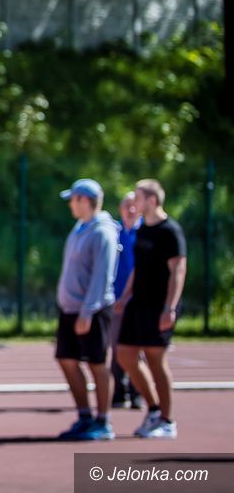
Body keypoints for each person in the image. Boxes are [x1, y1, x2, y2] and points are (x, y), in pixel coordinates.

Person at [115, 178, 187, 439]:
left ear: (152, 200)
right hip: (138, 304)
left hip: (159, 305)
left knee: (156, 359)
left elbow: (178, 269)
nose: (134, 201)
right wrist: (125, 297)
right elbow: (138, 267)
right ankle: (154, 408)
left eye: (139, 197)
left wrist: (170, 307)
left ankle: (167, 420)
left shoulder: (170, 231)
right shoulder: (143, 229)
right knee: (125, 354)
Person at [53, 178, 118, 442]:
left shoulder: (103, 232)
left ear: (84, 200)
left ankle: (103, 422)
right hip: (70, 309)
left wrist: (88, 311)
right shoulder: (80, 228)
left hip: (91, 310)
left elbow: (101, 276)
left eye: (73, 199)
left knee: (97, 364)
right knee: (67, 360)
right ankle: (84, 416)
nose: (70, 204)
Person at [111, 191, 142, 408]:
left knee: (137, 349)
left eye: (134, 206)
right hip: (115, 299)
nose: (130, 210)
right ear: (120, 209)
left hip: (139, 300)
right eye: (126, 206)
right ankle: (119, 392)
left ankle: (137, 391)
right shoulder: (114, 233)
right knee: (115, 347)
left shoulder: (146, 233)